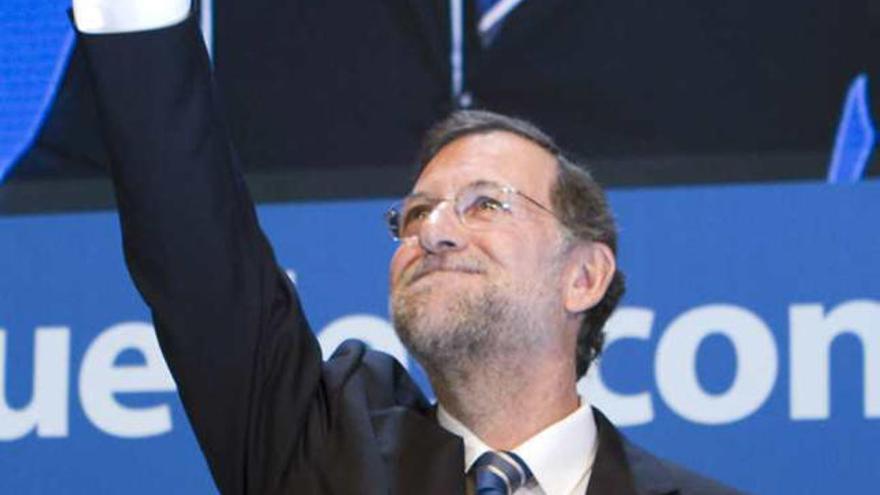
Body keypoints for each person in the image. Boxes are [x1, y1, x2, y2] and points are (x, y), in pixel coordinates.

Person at [72, 1, 743, 494]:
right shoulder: (321, 454)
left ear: (584, 275)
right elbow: (199, 263)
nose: (434, 230)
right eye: (416, 211)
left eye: (486, 203)